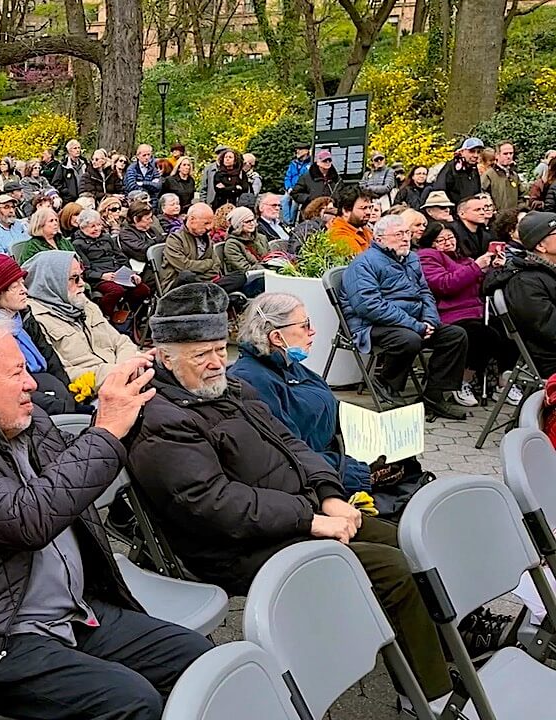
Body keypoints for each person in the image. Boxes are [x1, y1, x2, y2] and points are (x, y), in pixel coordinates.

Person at [125, 284, 452, 704]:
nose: (214, 364)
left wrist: (331, 495)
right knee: (389, 568)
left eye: (217, 350)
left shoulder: (231, 390)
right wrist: (311, 518)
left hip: (293, 514)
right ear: (165, 357)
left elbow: (293, 445)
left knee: (403, 541)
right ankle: (431, 695)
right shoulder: (162, 418)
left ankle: (438, 654)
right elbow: (214, 504)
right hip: (235, 546)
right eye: (199, 355)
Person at [0, 316, 210, 720]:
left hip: (73, 610)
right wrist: (106, 430)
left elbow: (75, 482)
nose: (31, 382)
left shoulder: (23, 418)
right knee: (133, 701)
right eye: (16, 372)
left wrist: (131, 406)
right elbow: (29, 518)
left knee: (198, 661)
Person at [228, 293, 373, 493]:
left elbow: (327, 407)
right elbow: (287, 453)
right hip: (318, 478)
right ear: (277, 337)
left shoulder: (287, 364)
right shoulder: (252, 380)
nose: (312, 331)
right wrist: (358, 472)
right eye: (305, 325)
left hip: (336, 459)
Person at [341, 215, 470, 419]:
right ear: (380, 238)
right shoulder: (363, 263)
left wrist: (429, 321)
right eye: (399, 234)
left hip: (413, 321)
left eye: (407, 233)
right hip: (372, 324)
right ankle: (386, 382)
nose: (405, 239)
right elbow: (369, 306)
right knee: (409, 339)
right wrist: (415, 325)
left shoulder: (411, 258)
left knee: (456, 335)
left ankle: (433, 397)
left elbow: (425, 292)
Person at [415, 221, 517, 407]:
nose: (448, 242)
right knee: (484, 335)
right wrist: (477, 267)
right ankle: (463, 380)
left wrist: (495, 268)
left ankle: (504, 382)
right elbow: (444, 285)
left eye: (450, 237)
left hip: (475, 310)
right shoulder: (427, 257)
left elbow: (482, 285)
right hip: (449, 314)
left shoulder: (464, 259)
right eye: (441, 240)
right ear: (431, 243)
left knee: (510, 328)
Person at [0, 254, 76, 415]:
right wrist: (62, 406)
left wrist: (70, 392)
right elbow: (6, 385)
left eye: (22, 284)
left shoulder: (24, 317)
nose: (24, 291)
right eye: (14, 286)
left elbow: (51, 358)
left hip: (53, 391)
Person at [21, 249, 139, 395]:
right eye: (74, 278)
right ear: (52, 282)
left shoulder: (82, 303)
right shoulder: (36, 320)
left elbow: (121, 341)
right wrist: (118, 373)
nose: (82, 284)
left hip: (124, 377)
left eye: (81, 277)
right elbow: (63, 374)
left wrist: (128, 367)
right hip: (92, 393)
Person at [483, 211, 556, 378]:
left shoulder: (547, 272)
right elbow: (547, 328)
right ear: (541, 246)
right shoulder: (525, 281)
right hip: (549, 359)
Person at [327, 185, 376, 255]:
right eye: (363, 208)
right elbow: (362, 262)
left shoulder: (363, 229)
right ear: (346, 211)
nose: (369, 212)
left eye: (370, 207)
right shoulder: (339, 236)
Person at [221, 206, 270, 274]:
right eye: (248, 222)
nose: (252, 224)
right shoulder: (232, 244)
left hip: (266, 273)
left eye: (253, 220)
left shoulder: (262, 238)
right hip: (248, 278)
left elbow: (270, 258)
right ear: (238, 224)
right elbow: (244, 269)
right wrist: (266, 268)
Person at [435, 137, 484, 204]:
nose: (476, 155)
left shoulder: (474, 170)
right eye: (471, 151)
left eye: (478, 152)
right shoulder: (451, 168)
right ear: (461, 152)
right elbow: (439, 193)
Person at [448, 193, 493, 258]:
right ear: (462, 214)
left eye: (483, 209)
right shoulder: (452, 233)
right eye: (477, 210)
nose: (482, 213)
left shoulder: (485, 233)